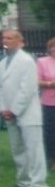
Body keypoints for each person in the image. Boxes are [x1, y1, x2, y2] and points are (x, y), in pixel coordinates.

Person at [0, 30, 49, 187]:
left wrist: (14, 110)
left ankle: (39, 185)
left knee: (34, 150)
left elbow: (27, 89)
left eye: (10, 38)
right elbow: (0, 88)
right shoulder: (2, 62)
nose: (6, 40)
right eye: (4, 38)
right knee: (18, 149)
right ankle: (23, 181)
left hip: (27, 112)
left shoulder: (26, 60)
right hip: (9, 112)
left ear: (20, 41)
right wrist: (3, 108)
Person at [38, 37, 55, 171]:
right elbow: (37, 81)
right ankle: (52, 159)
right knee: (50, 132)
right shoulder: (42, 62)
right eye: (53, 47)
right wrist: (50, 84)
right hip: (49, 102)